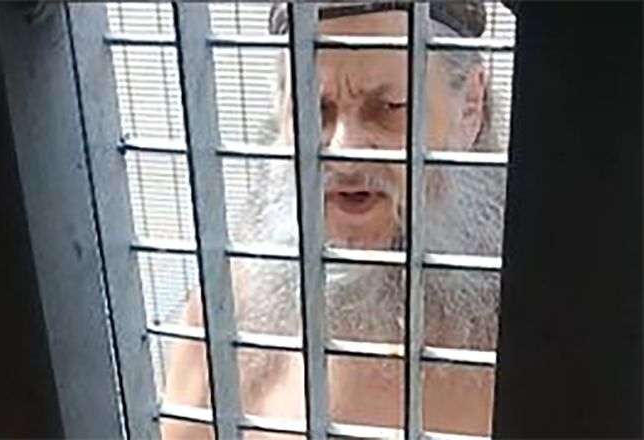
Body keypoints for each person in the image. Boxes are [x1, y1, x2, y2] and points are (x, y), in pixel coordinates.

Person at [162, 2, 506, 438]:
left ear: (471, 104)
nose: (344, 152)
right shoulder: (228, 313)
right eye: (314, 110)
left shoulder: (541, 325)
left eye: (389, 107)